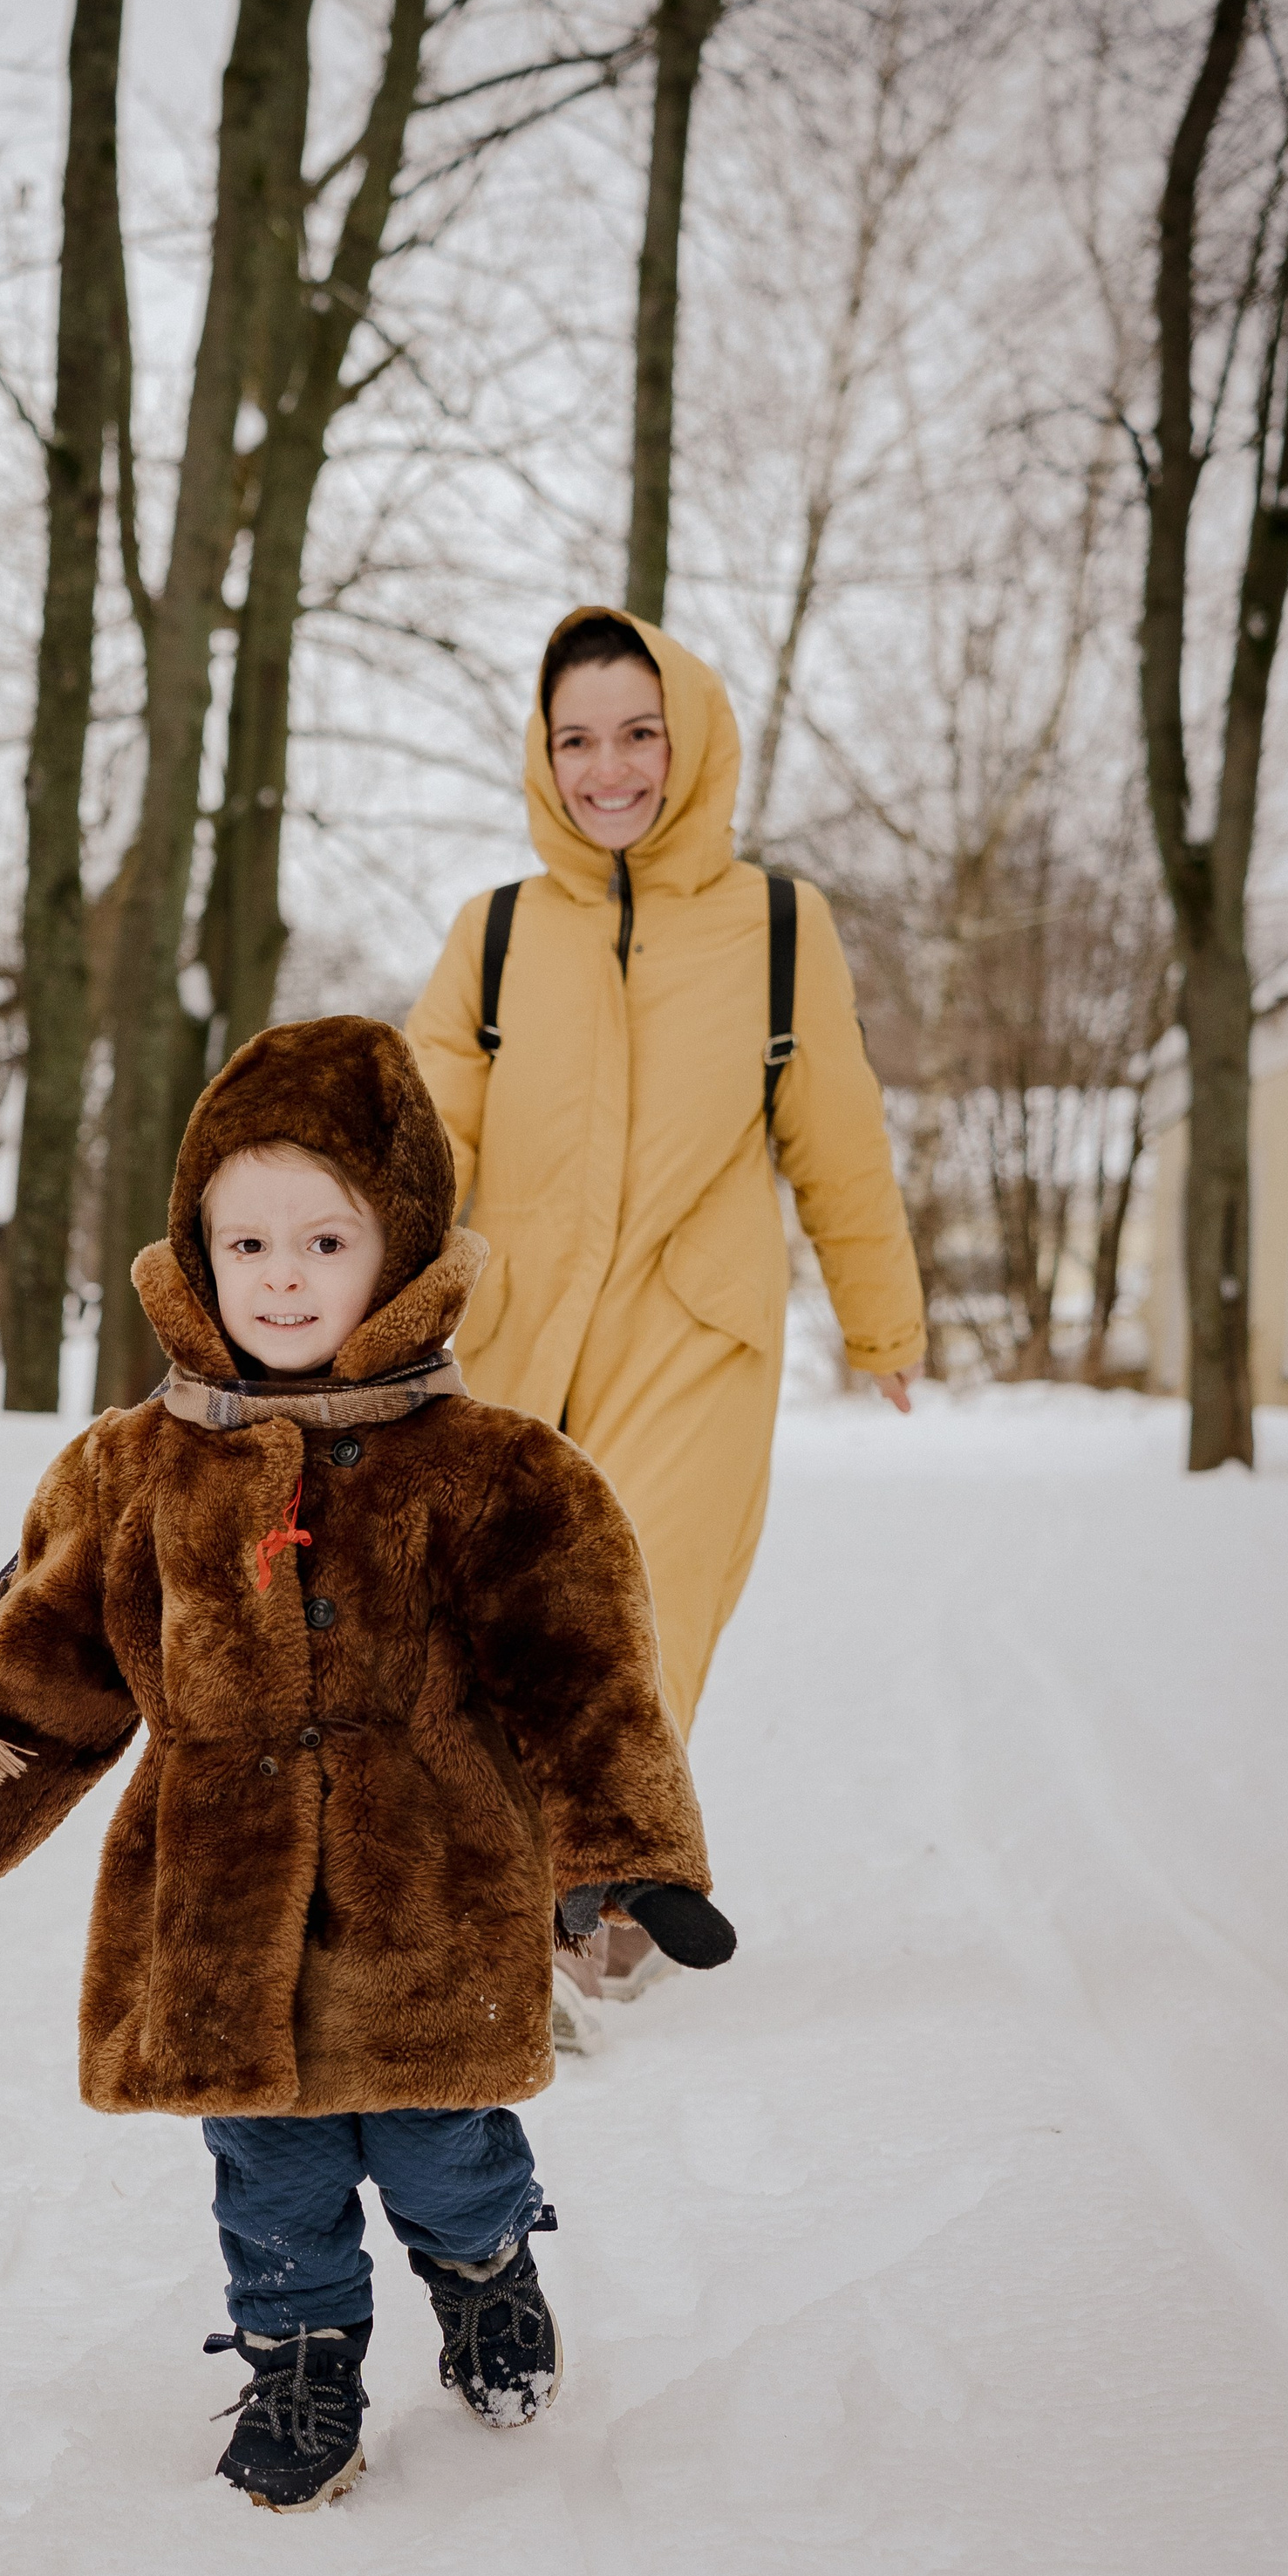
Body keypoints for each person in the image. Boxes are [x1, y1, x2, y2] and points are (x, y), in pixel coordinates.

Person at [0, 1016, 734, 2513]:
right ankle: (301, 2358)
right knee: (268, 2172)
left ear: (396, 1249)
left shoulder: (499, 1471)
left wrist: (631, 1849)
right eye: (244, 1239)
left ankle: (485, 2265)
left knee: (438, 2144)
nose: (279, 1275)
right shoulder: (138, 1469)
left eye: (322, 1239)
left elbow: (581, 1680)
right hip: (217, 1904)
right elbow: (51, 1657)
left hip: (432, 1899)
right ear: (196, 1250)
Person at [405, 608, 924, 2049]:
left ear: (689, 743)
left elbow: (837, 1130)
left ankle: (575, 1897)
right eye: (578, 738)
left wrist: (881, 1313)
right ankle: (551, 1906)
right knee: (491, 1629)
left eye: (641, 732)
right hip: (517, 1340)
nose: (610, 766)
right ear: (544, 752)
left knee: (630, 1612)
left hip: (697, 1337)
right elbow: (420, 1130)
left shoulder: (775, 926)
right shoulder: (495, 933)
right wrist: (322, 1274)